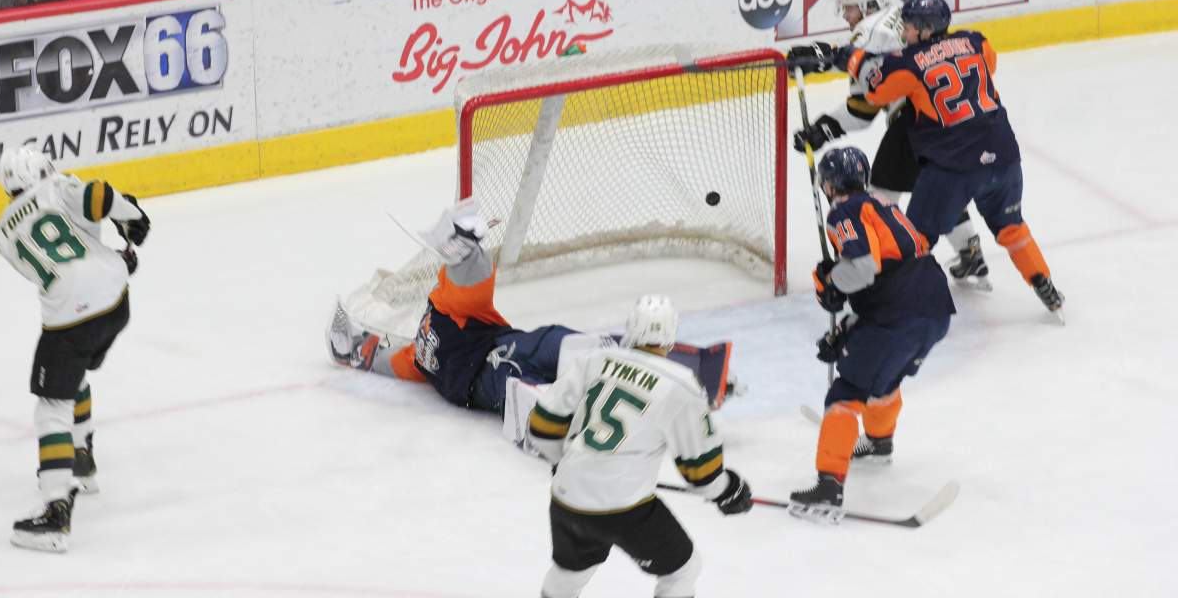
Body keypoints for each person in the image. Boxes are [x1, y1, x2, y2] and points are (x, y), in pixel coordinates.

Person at [327, 199, 736, 442]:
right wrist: (355, 349)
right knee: (545, 391)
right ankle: (628, 405)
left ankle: (665, 370)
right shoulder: (419, 352)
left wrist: (467, 247)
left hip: (506, 347)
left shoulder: (449, 307)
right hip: (488, 383)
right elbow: (386, 359)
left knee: (562, 346)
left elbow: (474, 280)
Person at [529, 294, 753, 598]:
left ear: (631, 327)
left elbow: (541, 427)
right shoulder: (681, 384)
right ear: (671, 336)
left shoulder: (594, 360)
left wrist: (565, 463)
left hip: (568, 497)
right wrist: (729, 490)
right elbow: (701, 473)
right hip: (624, 509)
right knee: (683, 571)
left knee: (570, 571)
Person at [862, 0, 1065, 317]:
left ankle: (892, 303)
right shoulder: (975, 41)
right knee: (1011, 227)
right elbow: (990, 63)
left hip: (952, 167)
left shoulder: (908, 63)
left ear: (927, 29)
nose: (906, 32)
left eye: (912, 26)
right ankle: (1045, 286)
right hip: (1004, 158)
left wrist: (858, 59)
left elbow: (875, 92)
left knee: (916, 238)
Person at [787, 0, 991, 288]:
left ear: (868, 6)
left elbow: (863, 108)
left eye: (850, 8)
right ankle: (970, 250)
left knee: (880, 195)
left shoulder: (868, 33)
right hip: (952, 120)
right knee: (936, 189)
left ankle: (883, 264)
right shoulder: (896, 18)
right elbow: (866, 55)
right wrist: (826, 57)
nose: (845, 15)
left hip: (913, 123)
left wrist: (822, 130)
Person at [0, 147, 150, 552]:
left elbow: (61, 260)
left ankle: (56, 510)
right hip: (115, 303)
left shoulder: (2, 233)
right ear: (44, 171)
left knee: (51, 407)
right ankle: (82, 458)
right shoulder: (59, 187)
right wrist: (131, 218)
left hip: (69, 319)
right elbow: (97, 195)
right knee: (72, 376)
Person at [788, 146, 954, 523]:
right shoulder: (884, 205)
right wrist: (850, 329)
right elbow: (892, 268)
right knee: (884, 379)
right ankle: (879, 443)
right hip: (934, 306)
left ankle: (829, 488)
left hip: (899, 312)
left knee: (846, 393)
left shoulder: (843, 212)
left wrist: (830, 282)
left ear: (829, 184)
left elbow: (863, 269)